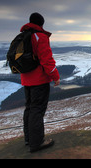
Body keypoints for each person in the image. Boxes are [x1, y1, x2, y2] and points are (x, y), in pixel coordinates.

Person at [20, 12, 60, 153]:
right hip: (39, 80)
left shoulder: (24, 35)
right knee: (37, 109)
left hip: (26, 79)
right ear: (41, 24)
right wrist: (55, 76)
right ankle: (37, 143)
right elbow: (47, 59)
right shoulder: (39, 36)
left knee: (30, 108)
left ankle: (29, 139)